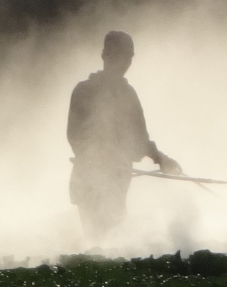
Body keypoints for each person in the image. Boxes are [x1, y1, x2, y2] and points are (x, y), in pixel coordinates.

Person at [67, 31, 182, 242]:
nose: (125, 62)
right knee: (97, 239)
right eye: (120, 56)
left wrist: (160, 158)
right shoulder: (84, 91)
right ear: (105, 56)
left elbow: (139, 139)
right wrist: (97, 158)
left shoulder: (128, 95)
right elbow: (74, 135)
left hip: (118, 178)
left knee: (112, 233)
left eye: (129, 57)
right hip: (88, 179)